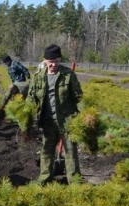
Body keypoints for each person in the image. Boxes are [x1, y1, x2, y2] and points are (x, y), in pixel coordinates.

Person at [26, 44, 83, 184]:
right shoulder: (38, 77)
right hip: (47, 121)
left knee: (71, 151)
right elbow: (31, 98)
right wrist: (25, 116)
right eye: (50, 62)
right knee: (47, 151)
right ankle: (45, 178)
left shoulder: (68, 75)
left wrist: (85, 116)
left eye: (57, 61)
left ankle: (75, 182)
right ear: (45, 60)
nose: (53, 65)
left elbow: (79, 97)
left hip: (67, 120)